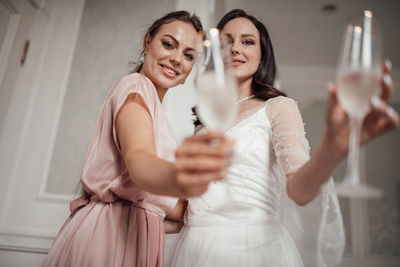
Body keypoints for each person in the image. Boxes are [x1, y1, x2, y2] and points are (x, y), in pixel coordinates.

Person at [168, 9, 399, 267]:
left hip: (254, 248)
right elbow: (182, 210)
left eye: (247, 41)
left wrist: (331, 150)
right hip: (193, 250)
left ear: (262, 56)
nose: (235, 49)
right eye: (226, 41)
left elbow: (299, 190)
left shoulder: (278, 107)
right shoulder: (203, 126)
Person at [42, 11, 235, 267]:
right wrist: (184, 178)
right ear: (147, 43)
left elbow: (155, 208)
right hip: (108, 241)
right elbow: (139, 162)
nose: (177, 59)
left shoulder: (154, 111)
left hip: (131, 240)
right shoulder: (135, 87)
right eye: (168, 44)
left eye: (189, 55)